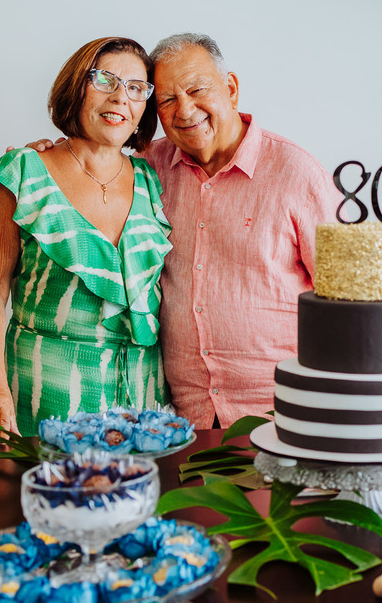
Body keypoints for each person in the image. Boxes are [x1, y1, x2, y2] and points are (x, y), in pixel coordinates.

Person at [28, 33, 339, 428]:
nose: (185, 110)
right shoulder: (144, 169)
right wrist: (49, 153)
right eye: (168, 100)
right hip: (179, 419)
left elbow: (343, 302)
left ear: (231, 88)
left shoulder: (295, 172)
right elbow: (86, 167)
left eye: (196, 90)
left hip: (281, 412)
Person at [0, 37, 172, 437]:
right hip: (44, 397)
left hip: (145, 403)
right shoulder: (25, 171)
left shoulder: (150, 179)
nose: (120, 98)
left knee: (136, 500)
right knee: (41, 496)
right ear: (77, 85)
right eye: (105, 80)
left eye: (135, 88)